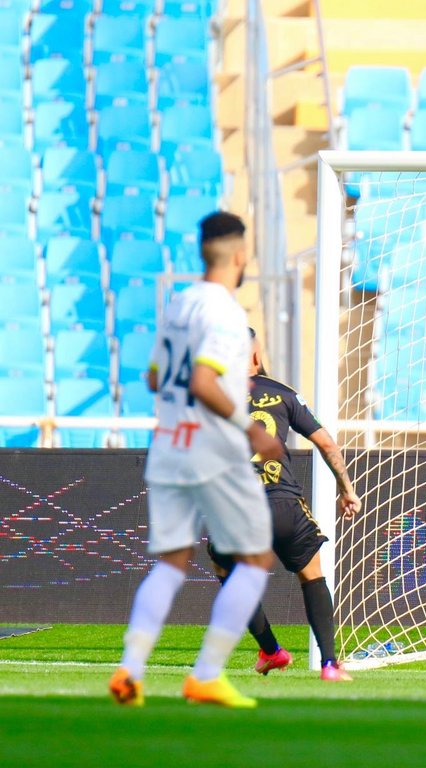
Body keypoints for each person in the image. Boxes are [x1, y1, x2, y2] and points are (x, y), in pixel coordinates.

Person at [109, 212, 283, 708]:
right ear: (240, 255)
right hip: (214, 450)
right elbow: (204, 383)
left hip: (168, 445)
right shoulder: (226, 314)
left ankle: (131, 669)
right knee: (253, 560)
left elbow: (152, 378)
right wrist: (252, 428)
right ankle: (206, 674)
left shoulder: (178, 306)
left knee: (169, 563)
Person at [206, 328, 361, 682]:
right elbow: (328, 445)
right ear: (257, 357)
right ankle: (329, 665)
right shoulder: (283, 394)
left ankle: (271, 650)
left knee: (224, 568)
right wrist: (346, 489)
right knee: (312, 576)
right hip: (285, 504)